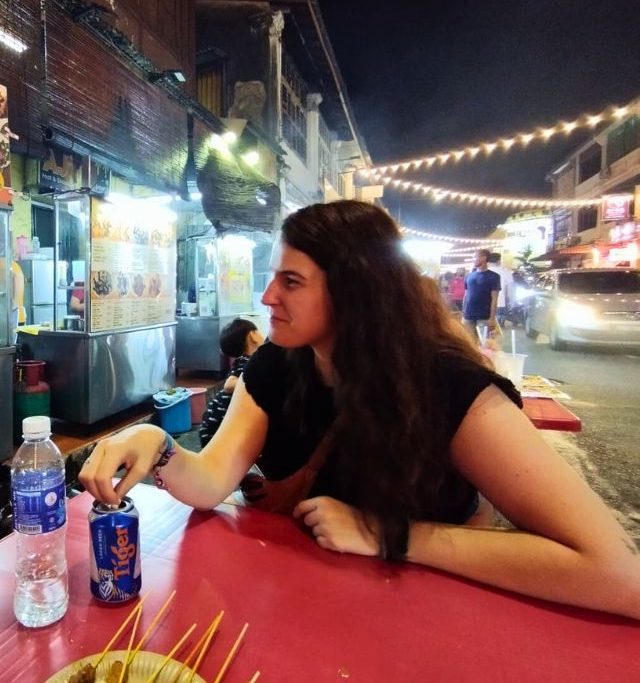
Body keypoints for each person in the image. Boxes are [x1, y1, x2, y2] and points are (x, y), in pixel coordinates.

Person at [79, 200, 640, 620]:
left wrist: (391, 536)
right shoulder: (279, 363)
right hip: (310, 612)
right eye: (274, 277)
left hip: (438, 625)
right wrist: (157, 444)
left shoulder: (448, 388)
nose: (268, 296)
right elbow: (209, 481)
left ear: (354, 293)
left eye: (291, 281)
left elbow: (617, 576)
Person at [198, 318, 264, 446]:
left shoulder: (246, 362)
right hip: (216, 431)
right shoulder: (246, 361)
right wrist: (258, 382)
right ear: (253, 335)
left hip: (216, 428)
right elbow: (229, 385)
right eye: (258, 331)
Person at [462, 249, 500, 342]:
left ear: (484, 258)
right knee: (469, 343)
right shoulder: (469, 276)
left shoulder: (494, 276)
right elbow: (466, 295)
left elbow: (494, 299)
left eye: (475, 257)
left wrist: (492, 318)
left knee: (484, 344)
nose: (473, 259)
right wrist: (463, 312)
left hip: (484, 316)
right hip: (468, 315)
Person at [487, 252, 515, 327]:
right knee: (498, 329)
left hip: (484, 305)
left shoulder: (482, 272)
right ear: (499, 261)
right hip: (500, 304)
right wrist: (511, 302)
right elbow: (510, 291)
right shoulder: (506, 273)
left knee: (485, 329)